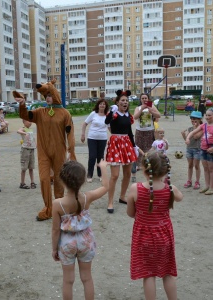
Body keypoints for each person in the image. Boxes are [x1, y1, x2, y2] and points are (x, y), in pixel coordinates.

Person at [13, 78, 76, 221]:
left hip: (59, 152)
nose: (47, 98)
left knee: (59, 180)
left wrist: (71, 150)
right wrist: (22, 104)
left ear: (54, 95)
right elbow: (25, 115)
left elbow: (70, 132)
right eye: (45, 96)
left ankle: (59, 206)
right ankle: (48, 208)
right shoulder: (40, 112)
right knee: (43, 179)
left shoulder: (65, 113)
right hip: (43, 152)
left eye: (49, 95)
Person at [127, 151, 183, 300]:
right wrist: (168, 184)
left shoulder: (135, 189)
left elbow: (131, 213)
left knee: (148, 274)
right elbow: (180, 197)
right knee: (167, 273)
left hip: (143, 237)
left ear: (145, 170)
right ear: (165, 171)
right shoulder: (169, 188)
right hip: (164, 236)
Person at [52, 160, 109, 300]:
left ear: (63, 181)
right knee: (87, 278)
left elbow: (55, 230)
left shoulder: (57, 204)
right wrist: (103, 168)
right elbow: (106, 187)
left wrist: (54, 249)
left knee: (67, 280)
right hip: (86, 241)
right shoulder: (87, 197)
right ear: (82, 180)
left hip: (67, 243)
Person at [105, 90, 137, 213]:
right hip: (115, 143)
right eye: (122, 100)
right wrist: (112, 111)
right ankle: (110, 202)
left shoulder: (128, 116)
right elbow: (106, 122)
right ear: (117, 102)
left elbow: (129, 132)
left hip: (127, 144)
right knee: (115, 175)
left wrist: (134, 147)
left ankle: (122, 196)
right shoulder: (114, 114)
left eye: (126, 101)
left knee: (128, 173)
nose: (125, 102)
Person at [186, 107, 213, 195]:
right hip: (203, 149)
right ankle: (207, 186)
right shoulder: (203, 126)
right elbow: (192, 133)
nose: (207, 117)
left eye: (210, 115)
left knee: (211, 169)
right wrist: (187, 138)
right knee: (205, 168)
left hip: (211, 149)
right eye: (206, 115)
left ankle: (211, 188)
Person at [81, 99, 109, 182]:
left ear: (105, 106)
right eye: (100, 104)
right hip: (92, 138)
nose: (102, 105)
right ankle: (89, 175)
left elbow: (110, 127)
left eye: (104, 104)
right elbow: (85, 123)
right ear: (98, 105)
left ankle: (100, 174)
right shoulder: (93, 114)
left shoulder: (107, 116)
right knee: (92, 156)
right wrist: (83, 134)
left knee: (100, 157)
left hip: (102, 138)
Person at [133, 93, 161, 168]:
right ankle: (138, 165)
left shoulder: (151, 106)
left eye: (146, 98)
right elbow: (135, 117)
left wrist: (151, 111)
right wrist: (141, 109)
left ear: (148, 99)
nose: (144, 100)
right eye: (143, 98)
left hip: (150, 130)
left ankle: (149, 164)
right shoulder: (138, 108)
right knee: (139, 147)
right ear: (140, 99)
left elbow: (159, 115)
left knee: (149, 148)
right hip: (139, 131)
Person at [181, 111, 202, 189]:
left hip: (197, 149)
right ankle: (189, 180)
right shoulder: (190, 128)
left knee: (196, 165)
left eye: (195, 118)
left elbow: (196, 137)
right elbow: (187, 141)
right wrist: (184, 135)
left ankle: (197, 181)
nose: (193, 120)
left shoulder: (201, 128)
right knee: (190, 165)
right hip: (189, 149)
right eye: (192, 118)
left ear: (199, 119)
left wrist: (195, 128)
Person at [17, 119, 37, 189]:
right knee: (24, 168)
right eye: (28, 121)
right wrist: (24, 133)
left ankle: (32, 181)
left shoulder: (31, 129)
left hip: (31, 149)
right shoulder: (23, 129)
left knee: (31, 167)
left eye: (31, 121)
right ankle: (22, 183)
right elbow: (18, 131)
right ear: (24, 122)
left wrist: (35, 144)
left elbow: (33, 138)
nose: (30, 122)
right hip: (25, 150)